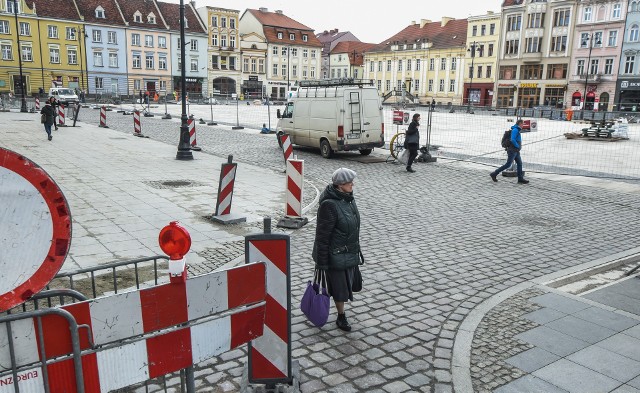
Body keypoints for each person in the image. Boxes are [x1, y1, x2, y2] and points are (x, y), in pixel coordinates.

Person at [313, 168, 363, 332]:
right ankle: (341, 316)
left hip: (349, 251)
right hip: (335, 254)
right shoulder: (329, 205)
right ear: (340, 185)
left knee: (350, 284)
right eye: (349, 182)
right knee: (340, 289)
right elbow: (322, 236)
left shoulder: (348, 199)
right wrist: (322, 262)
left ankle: (341, 314)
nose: (352, 184)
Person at [490, 119, 529, 184]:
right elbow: (512, 139)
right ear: (519, 124)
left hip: (516, 151)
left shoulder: (517, 130)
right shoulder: (515, 130)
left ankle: (520, 178)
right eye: (522, 124)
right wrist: (517, 146)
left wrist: (517, 147)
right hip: (512, 150)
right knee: (508, 164)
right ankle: (494, 173)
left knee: (519, 163)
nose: (523, 125)